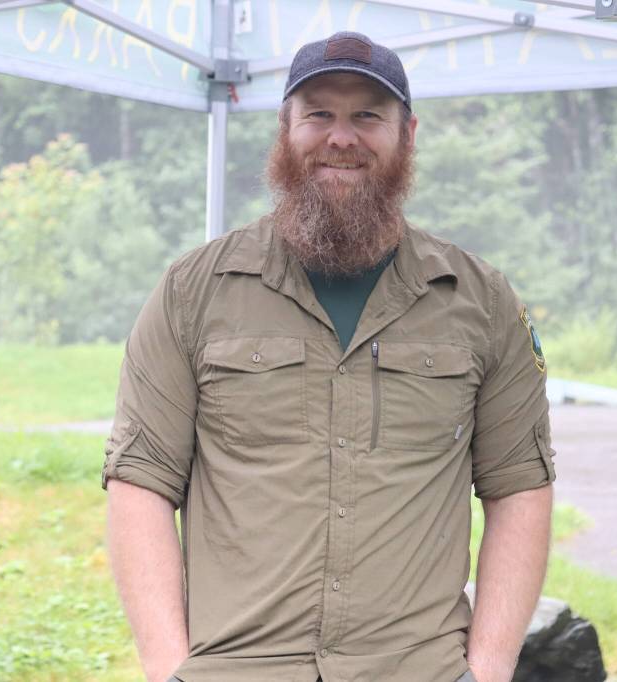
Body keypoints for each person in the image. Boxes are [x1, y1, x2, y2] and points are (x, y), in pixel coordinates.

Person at [102, 31, 556, 682]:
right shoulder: (193, 293)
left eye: (368, 115)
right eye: (319, 113)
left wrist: (486, 671)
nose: (341, 137)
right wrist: (168, 667)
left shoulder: (480, 301)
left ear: (408, 133)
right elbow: (140, 482)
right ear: (285, 129)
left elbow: (521, 487)